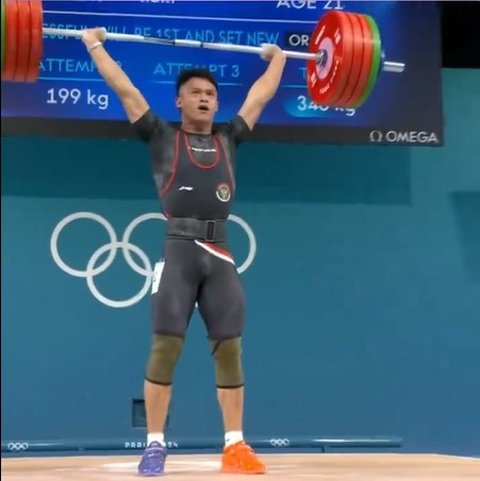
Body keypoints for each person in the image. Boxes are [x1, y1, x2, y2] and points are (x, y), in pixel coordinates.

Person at [81, 27, 287, 477]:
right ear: (179, 100)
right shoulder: (159, 135)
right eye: (195, 93)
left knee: (230, 349)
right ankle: (154, 446)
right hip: (177, 251)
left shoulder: (230, 136)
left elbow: (260, 96)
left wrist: (278, 59)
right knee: (165, 347)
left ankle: (235, 445)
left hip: (222, 254)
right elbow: (123, 87)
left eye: (211, 94)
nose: (204, 99)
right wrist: (94, 45)